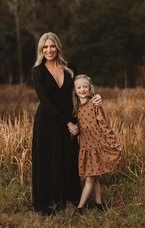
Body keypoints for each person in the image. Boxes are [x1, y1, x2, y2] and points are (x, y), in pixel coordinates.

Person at [31, 32, 102, 215]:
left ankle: (69, 196)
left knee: (68, 157)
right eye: (45, 47)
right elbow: (45, 101)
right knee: (49, 158)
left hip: (70, 119)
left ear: (58, 47)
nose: (49, 50)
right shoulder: (37, 71)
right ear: (41, 49)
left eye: (52, 46)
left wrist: (96, 97)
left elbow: (82, 89)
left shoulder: (70, 67)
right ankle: (48, 201)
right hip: (47, 120)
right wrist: (67, 123)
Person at [71, 74, 123, 212]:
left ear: (89, 88)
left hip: (98, 143)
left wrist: (111, 140)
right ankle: (90, 206)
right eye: (79, 87)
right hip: (86, 146)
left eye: (85, 87)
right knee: (92, 177)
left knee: (94, 177)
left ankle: (82, 207)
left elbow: (102, 123)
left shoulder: (94, 104)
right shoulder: (75, 108)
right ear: (75, 90)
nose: (82, 90)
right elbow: (75, 128)